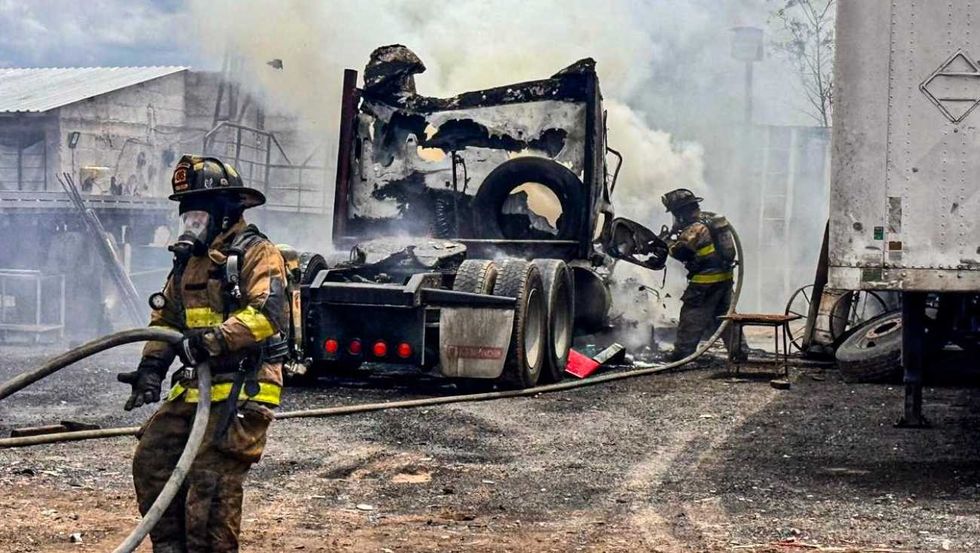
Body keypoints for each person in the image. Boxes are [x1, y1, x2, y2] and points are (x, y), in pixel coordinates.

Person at [118, 154, 289, 552]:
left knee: (208, 487)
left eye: (198, 213)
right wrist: (152, 367)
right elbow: (167, 318)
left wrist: (211, 341)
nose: (190, 223)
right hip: (197, 390)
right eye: (187, 214)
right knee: (153, 459)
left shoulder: (256, 253)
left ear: (224, 213)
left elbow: (269, 313)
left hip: (244, 387)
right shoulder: (188, 262)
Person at [661, 188, 746, 362]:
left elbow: (680, 252)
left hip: (705, 283)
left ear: (681, 212)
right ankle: (739, 352)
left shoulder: (695, 229)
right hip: (725, 280)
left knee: (691, 316)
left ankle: (682, 354)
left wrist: (667, 242)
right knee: (726, 317)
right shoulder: (713, 221)